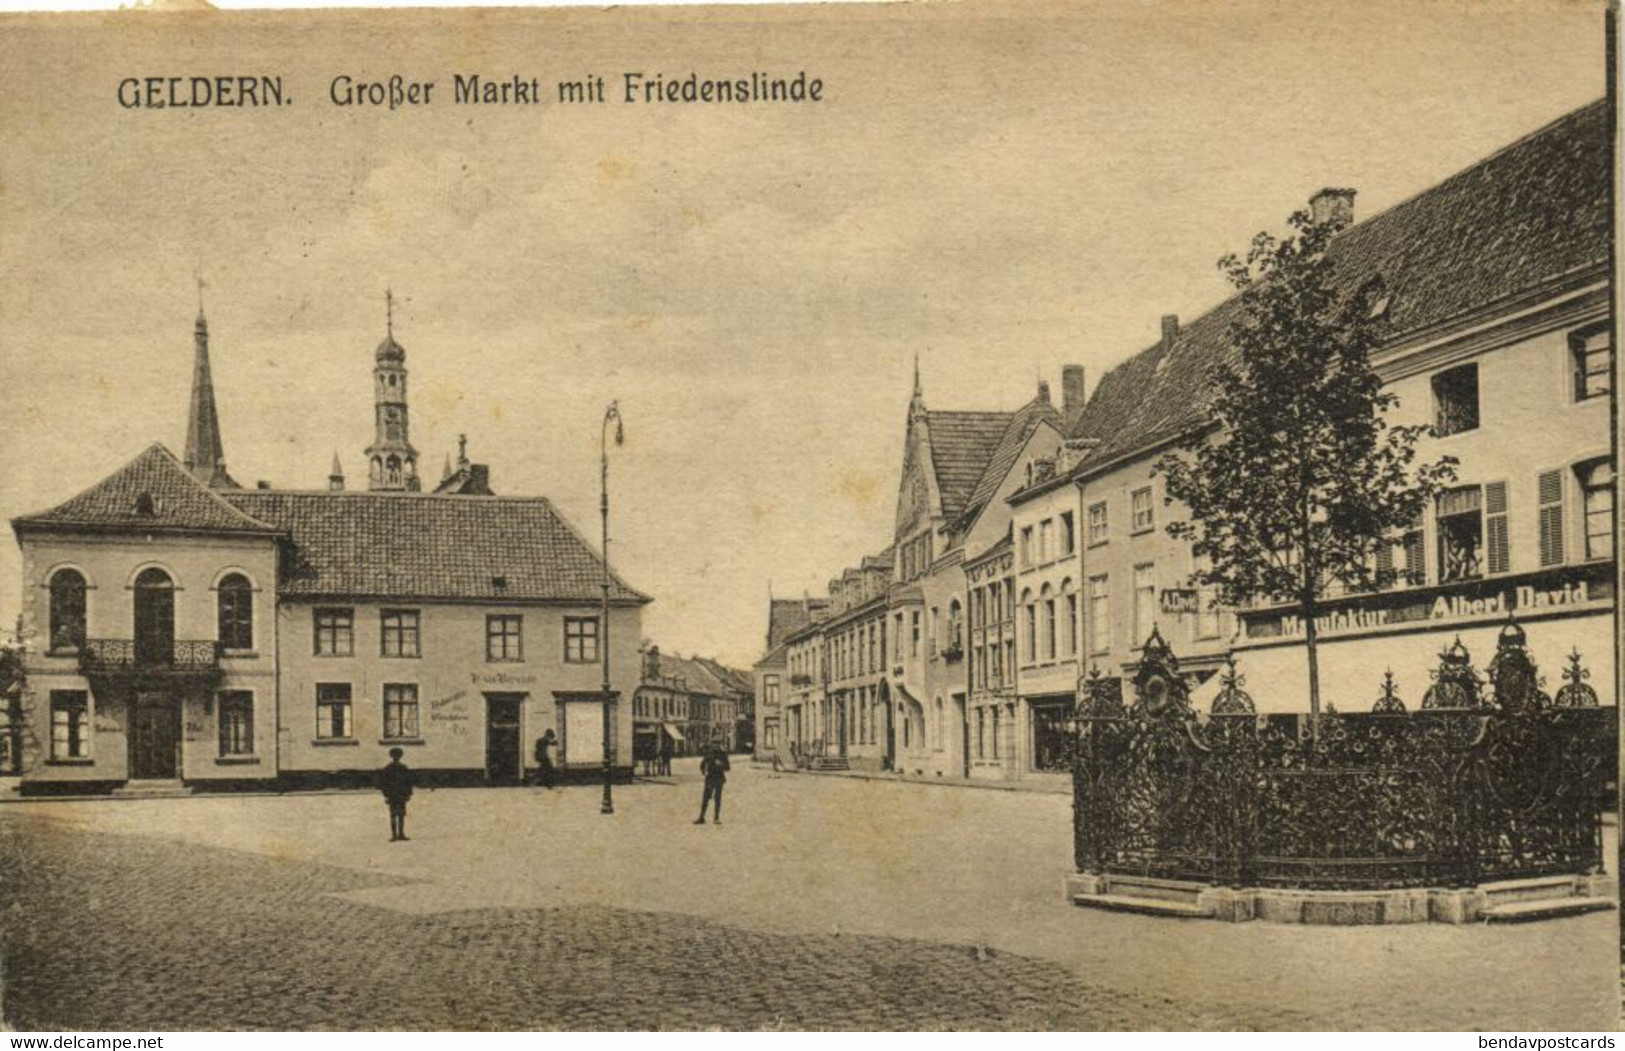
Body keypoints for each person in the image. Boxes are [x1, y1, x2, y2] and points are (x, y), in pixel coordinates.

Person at [378, 746, 415, 842]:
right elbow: (409, 783)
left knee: (393, 814)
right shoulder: (404, 768)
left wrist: (386, 794)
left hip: (392, 795)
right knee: (401, 815)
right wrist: (408, 794)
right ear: (401, 756)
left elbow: (383, 783)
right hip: (401, 794)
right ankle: (401, 834)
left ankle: (394, 835)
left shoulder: (387, 769)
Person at [693, 742, 730, 825]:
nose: (715, 746)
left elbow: (728, 767)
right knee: (705, 798)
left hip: (719, 779)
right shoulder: (709, 753)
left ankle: (716, 818)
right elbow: (702, 764)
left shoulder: (723, 754)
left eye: (717, 744)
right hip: (709, 778)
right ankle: (701, 817)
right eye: (714, 744)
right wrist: (704, 772)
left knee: (717, 798)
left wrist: (721, 764)